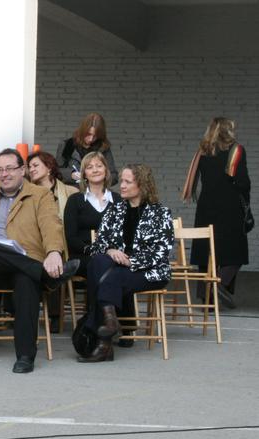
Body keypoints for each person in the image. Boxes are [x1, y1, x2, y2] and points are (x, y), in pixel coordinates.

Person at [0, 148, 79, 374]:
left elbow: (51, 225)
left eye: (9, 169)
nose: (4, 174)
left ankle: (25, 356)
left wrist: (54, 252)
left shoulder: (40, 195)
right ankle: (44, 275)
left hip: (25, 263)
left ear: (22, 170)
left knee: (26, 279)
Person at [81, 164, 173, 363]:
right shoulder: (114, 210)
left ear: (142, 185)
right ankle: (109, 324)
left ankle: (101, 337)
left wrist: (131, 261)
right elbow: (97, 245)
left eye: (127, 181)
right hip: (115, 268)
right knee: (98, 261)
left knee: (109, 277)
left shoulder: (160, 213)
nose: (121, 185)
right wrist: (110, 250)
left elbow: (161, 251)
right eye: (121, 180)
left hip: (149, 271)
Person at [182, 117, 251, 309]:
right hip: (230, 208)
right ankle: (218, 285)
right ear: (228, 131)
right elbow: (243, 182)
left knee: (206, 252)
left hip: (206, 208)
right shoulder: (236, 150)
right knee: (235, 253)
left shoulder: (202, 152)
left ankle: (207, 299)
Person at [27, 151, 78, 332]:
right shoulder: (26, 192)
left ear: (49, 167)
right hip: (33, 242)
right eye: (29, 167)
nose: (31, 169)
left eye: (35, 165)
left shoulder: (70, 192)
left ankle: (55, 316)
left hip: (61, 241)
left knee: (55, 260)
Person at [64, 151, 121, 276]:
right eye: (89, 167)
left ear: (106, 170)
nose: (95, 170)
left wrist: (112, 251)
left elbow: (124, 233)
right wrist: (97, 251)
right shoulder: (74, 200)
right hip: (83, 255)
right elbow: (71, 237)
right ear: (84, 174)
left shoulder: (118, 200)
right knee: (102, 264)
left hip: (113, 254)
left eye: (99, 166)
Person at [56, 113, 118, 186]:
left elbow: (114, 176)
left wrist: (99, 179)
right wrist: (71, 174)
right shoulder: (67, 145)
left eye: (95, 136)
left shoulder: (103, 148)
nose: (91, 139)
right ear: (82, 130)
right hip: (72, 190)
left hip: (95, 190)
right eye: (88, 134)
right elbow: (57, 171)